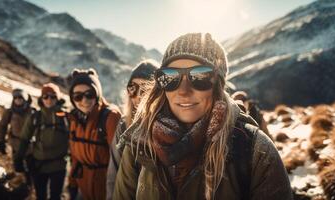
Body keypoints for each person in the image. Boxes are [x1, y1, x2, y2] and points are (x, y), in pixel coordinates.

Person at [113, 33, 292, 200]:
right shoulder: (141, 144)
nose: (183, 91)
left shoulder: (254, 150)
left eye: (199, 77)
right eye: (170, 77)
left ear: (218, 85)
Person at [106, 59, 159, 200]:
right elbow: (114, 171)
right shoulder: (124, 124)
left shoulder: (167, 127)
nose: (137, 95)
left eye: (145, 89)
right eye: (132, 88)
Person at [67, 68, 121, 200]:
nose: (84, 101)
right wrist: (72, 184)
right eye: (78, 96)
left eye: (89, 94)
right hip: (83, 188)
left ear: (97, 94)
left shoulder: (110, 117)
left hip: (105, 190)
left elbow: (120, 161)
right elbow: (75, 156)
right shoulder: (75, 118)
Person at [14, 83, 69, 200]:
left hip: (58, 166)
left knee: (56, 197)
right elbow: (25, 138)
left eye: (53, 96)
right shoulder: (35, 116)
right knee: (41, 196)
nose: (49, 100)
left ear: (58, 98)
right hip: (39, 165)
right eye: (45, 96)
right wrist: (18, 158)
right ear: (41, 98)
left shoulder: (66, 117)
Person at [0, 88, 34, 185]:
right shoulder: (9, 112)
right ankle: (21, 181)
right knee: (18, 165)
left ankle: (30, 185)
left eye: (20, 97)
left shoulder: (32, 111)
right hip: (16, 144)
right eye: (15, 97)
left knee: (31, 167)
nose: (18, 99)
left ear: (25, 99)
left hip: (31, 145)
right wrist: (1, 141)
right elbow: (2, 126)